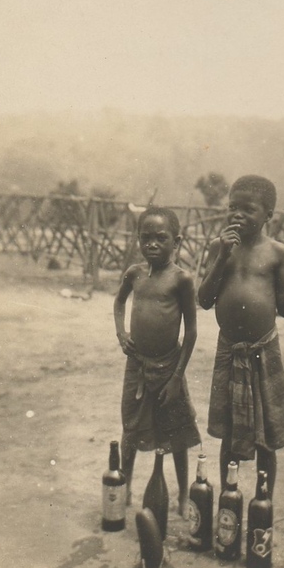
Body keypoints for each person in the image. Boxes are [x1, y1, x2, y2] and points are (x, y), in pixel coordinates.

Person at [198, 175, 284, 498]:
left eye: (248, 209)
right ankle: (229, 499)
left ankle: (262, 500)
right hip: (230, 350)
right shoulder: (219, 247)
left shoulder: (277, 253)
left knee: (265, 437)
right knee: (230, 434)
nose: (237, 214)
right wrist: (223, 258)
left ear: (268, 214)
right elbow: (203, 299)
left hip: (262, 351)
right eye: (232, 207)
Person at [114, 206, 201, 515]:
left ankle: (180, 497)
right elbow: (119, 302)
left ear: (176, 241)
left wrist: (177, 377)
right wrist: (121, 332)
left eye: (160, 238)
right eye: (145, 238)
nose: (152, 244)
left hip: (168, 365)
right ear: (138, 239)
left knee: (175, 431)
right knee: (131, 426)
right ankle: (123, 491)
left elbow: (191, 332)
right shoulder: (135, 273)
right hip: (136, 364)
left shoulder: (182, 279)